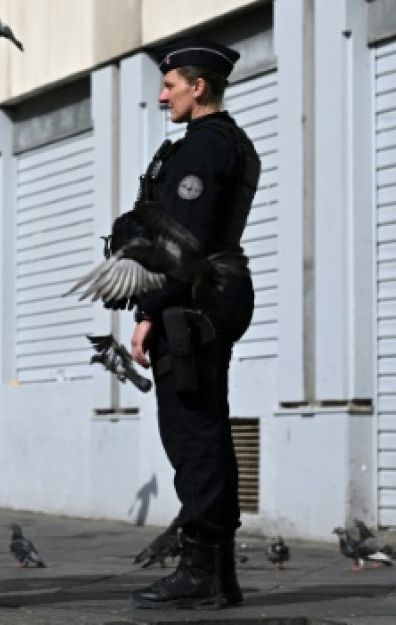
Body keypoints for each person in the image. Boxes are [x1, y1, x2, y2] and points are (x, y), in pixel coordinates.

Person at [123, 39, 261, 611]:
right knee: (207, 426)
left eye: (171, 85)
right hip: (213, 296)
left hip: (194, 302)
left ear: (197, 87)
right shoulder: (225, 144)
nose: (162, 96)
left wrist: (150, 311)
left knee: (192, 433)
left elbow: (187, 244)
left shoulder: (204, 150)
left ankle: (201, 567)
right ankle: (218, 572)